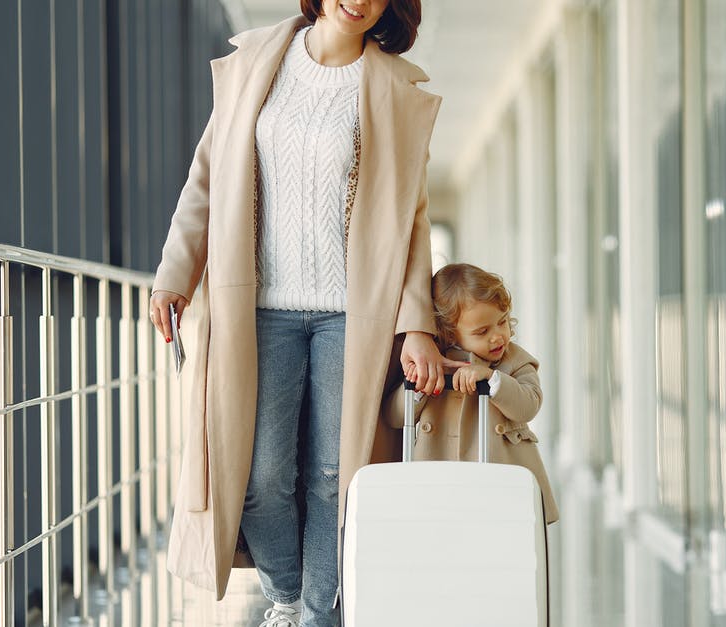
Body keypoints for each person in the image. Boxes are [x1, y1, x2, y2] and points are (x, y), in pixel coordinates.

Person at [146, 2, 463, 626]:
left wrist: (416, 325)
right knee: (260, 475)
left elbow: (411, 223)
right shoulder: (255, 63)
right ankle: (285, 597)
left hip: (354, 316)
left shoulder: (395, 92)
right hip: (255, 308)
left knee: (331, 476)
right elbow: (205, 179)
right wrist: (174, 274)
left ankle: (317, 614)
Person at [383, 263, 560, 524]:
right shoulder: (436, 364)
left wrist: (491, 377)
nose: (498, 336)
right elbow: (395, 418)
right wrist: (420, 387)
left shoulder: (516, 362)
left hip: (502, 485)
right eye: (482, 332)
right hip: (440, 484)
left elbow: (529, 405)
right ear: (449, 332)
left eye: (502, 322)